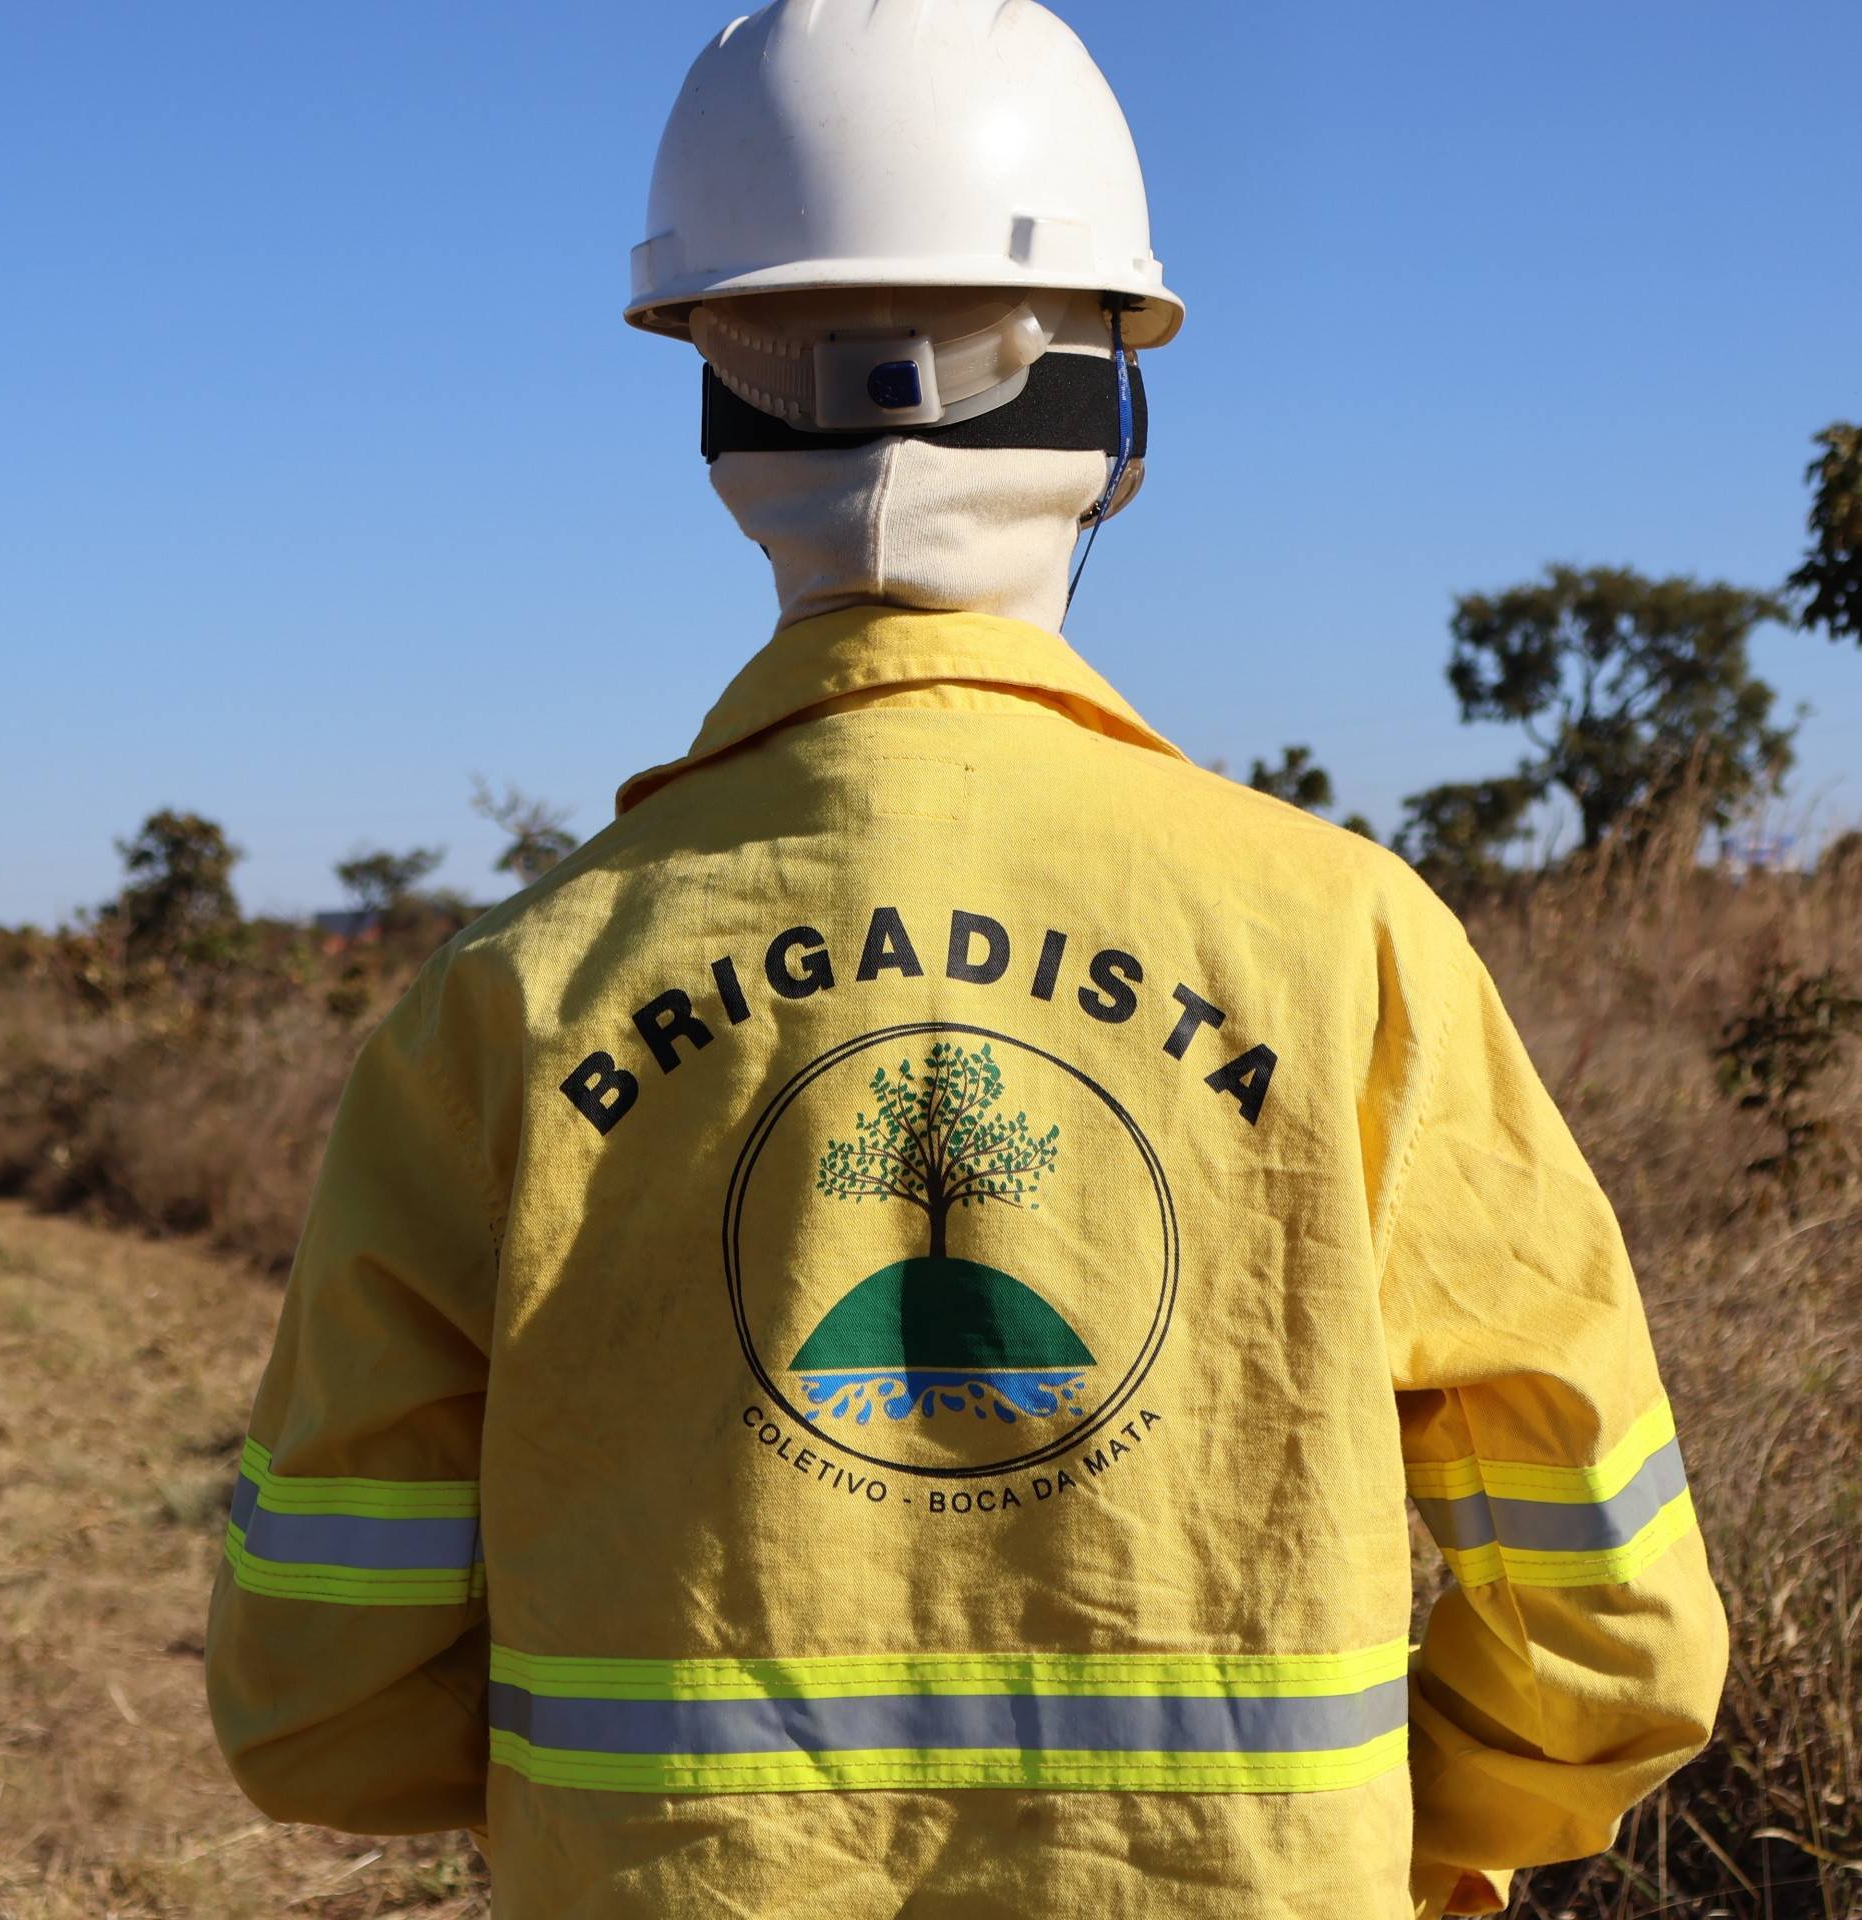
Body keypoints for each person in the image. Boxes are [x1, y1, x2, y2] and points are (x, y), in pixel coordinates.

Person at [204, 3, 1728, 1913]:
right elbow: (1619, 1640)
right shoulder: (1348, 949)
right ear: (1116, 416)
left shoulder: (508, 1003)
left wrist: (619, 1831)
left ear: (718, 405)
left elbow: (314, 1691)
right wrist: (1387, 1850)